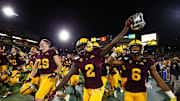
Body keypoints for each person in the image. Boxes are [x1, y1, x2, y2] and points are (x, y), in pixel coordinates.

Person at [48, 17, 132, 101]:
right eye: (78, 48)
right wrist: (55, 90)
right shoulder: (78, 60)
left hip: (96, 89)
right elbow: (67, 76)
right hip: (86, 89)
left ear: (87, 46)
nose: (80, 50)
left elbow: (113, 42)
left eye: (81, 47)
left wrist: (126, 28)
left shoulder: (97, 53)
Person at [107, 39, 177, 101]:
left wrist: (171, 95)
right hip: (128, 92)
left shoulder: (147, 61)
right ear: (129, 49)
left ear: (141, 49)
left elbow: (159, 80)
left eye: (137, 48)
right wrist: (114, 53)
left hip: (141, 93)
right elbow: (109, 61)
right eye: (133, 48)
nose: (134, 50)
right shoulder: (127, 60)